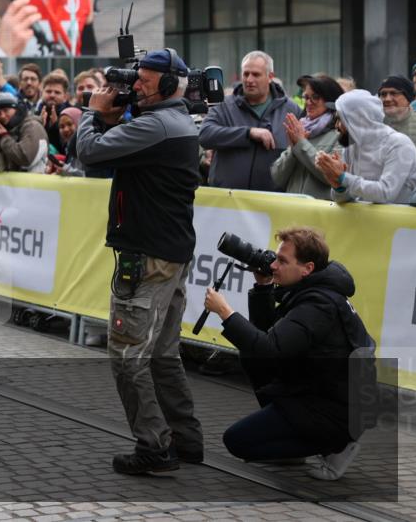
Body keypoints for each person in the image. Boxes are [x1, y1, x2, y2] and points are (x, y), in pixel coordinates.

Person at [76, 48, 204, 475]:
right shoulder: (174, 121)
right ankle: (185, 439)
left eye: (145, 82)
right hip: (170, 253)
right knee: (163, 354)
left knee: (128, 354)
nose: (135, 88)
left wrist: (92, 113)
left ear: (170, 86)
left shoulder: (158, 125)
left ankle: (154, 446)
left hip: (148, 256)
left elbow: (91, 153)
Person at [203, 227, 374, 481]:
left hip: (338, 411)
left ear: (307, 268)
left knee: (237, 442)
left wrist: (226, 313)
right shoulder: (313, 289)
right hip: (319, 393)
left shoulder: (318, 305)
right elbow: (267, 340)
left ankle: (335, 446)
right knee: (251, 357)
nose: (273, 265)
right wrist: (262, 288)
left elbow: (271, 350)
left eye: (282, 261)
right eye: (275, 258)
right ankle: (298, 441)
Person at [198, 50, 302, 191]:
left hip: (273, 202)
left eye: (256, 74)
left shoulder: (291, 109)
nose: (249, 80)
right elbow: (204, 135)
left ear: (270, 76)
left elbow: (301, 150)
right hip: (228, 202)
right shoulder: (225, 106)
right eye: (246, 74)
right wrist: (248, 133)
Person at [315, 89, 416, 204]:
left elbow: (385, 194)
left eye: (341, 119)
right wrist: (338, 185)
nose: (337, 125)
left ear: (357, 119)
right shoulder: (351, 147)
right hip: (361, 221)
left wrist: (343, 178)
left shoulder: (399, 144)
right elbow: (342, 200)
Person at [270, 76, 344, 198]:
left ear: (330, 100)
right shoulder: (300, 130)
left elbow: (333, 177)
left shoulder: (340, 133)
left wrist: (301, 143)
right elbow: (277, 177)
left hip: (321, 213)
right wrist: (294, 149)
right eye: (306, 97)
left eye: (315, 97)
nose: (309, 102)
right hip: (293, 211)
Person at [0, 92, 48, 173]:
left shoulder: (32, 126)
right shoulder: (1, 131)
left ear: (16, 109)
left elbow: (25, 158)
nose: (2, 116)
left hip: (34, 184)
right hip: (12, 185)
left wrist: (5, 137)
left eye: (6, 110)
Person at [378, 75, 416, 149]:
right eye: (383, 94)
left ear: (408, 98)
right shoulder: (375, 125)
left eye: (393, 93)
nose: (387, 99)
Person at [38, 72, 70, 148]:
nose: (52, 95)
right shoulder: (34, 114)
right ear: (42, 93)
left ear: (65, 96)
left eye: (57, 92)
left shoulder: (71, 116)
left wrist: (56, 126)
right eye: (48, 91)